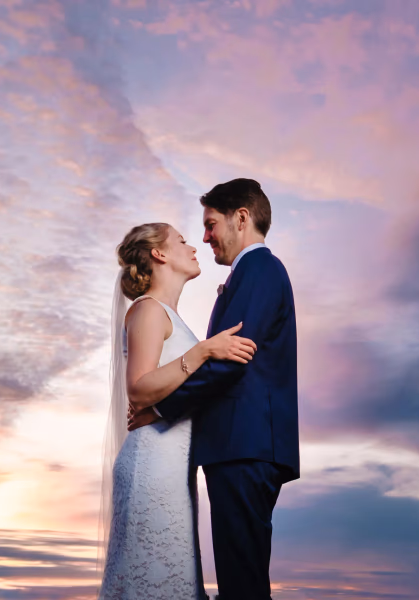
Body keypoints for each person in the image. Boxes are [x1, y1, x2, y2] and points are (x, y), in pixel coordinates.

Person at [129, 178, 300, 600]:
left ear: (241, 219)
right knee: (240, 577)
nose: (205, 238)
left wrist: (162, 408)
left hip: (244, 444)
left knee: (241, 581)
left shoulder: (260, 269)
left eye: (210, 225)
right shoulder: (251, 275)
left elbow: (230, 363)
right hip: (240, 446)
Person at [98, 222, 258, 600]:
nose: (193, 246)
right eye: (182, 241)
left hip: (174, 466)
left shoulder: (171, 316)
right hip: (151, 465)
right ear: (159, 254)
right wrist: (202, 351)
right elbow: (137, 389)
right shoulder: (147, 310)